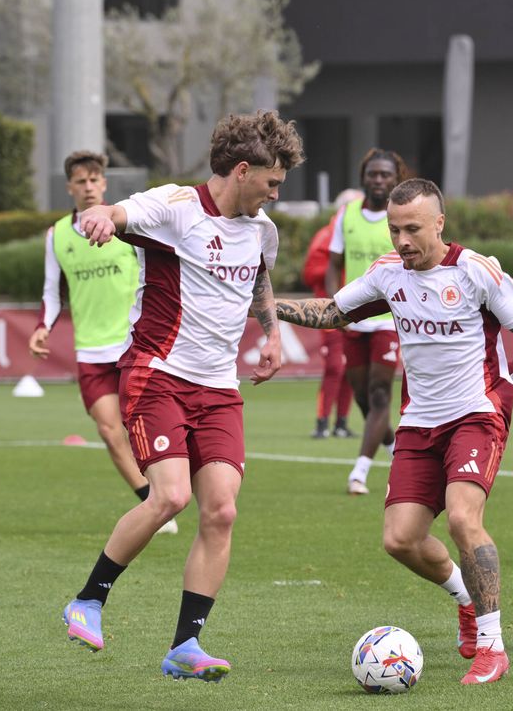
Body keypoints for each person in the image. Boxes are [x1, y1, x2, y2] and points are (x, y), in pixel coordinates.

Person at [272, 178, 513, 685]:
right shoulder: (388, 273)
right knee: (400, 539)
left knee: (462, 518)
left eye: (412, 229)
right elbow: (332, 312)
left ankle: (492, 648)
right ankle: (467, 600)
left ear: (439, 223)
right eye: (394, 230)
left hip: (477, 411)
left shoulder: (475, 271)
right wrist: (267, 305)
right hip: (419, 420)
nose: (402, 240)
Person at [60, 111, 304, 681]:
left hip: (219, 389)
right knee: (170, 496)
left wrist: (271, 334)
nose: (275, 193)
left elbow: (259, 278)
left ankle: (185, 646)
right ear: (242, 170)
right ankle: (88, 600)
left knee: (221, 510)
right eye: (271, 182)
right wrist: (98, 216)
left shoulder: (261, 229)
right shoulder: (175, 206)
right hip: (158, 375)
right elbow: (117, 213)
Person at [28, 151, 176, 536]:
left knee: (142, 426)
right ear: (69, 188)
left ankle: (167, 492)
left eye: (95, 179)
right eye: (81, 181)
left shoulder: (127, 226)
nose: (89, 187)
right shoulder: (57, 235)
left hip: (135, 345)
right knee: (110, 432)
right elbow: (52, 291)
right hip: (91, 352)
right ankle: (151, 501)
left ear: (104, 184)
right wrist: (43, 326)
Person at [325, 149, 409, 494]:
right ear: (363, 177)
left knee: (378, 393)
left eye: (385, 174)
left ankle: (358, 472)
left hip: (389, 319)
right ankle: (394, 448)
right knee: (363, 396)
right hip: (353, 318)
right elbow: (333, 265)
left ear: (396, 178)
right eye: (373, 173)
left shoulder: (401, 218)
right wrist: (336, 310)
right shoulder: (347, 215)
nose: (378, 180)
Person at [300, 191, 362, 439]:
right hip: (331, 312)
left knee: (352, 369)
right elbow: (310, 272)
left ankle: (341, 423)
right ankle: (322, 421)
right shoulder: (326, 236)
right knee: (335, 367)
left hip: (357, 310)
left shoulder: (359, 235)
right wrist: (338, 265)